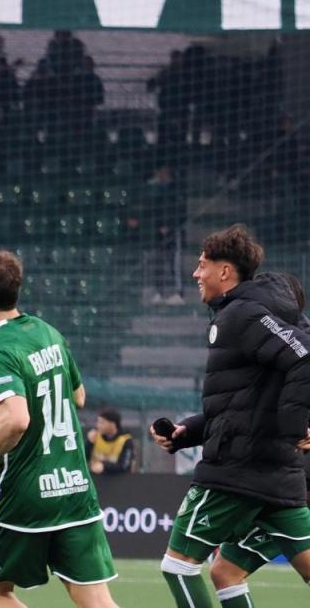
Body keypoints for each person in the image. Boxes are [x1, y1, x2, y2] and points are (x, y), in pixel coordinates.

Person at [147, 226, 310, 608]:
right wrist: (187, 433)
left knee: (178, 566)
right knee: (225, 572)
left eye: (201, 265)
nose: (195, 274)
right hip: (278, 477)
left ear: (225, 271)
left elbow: (304, 358)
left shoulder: (243, 315)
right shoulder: (249, 316)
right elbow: (242, 404)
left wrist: (292, 427)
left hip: (238, 472)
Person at [0, 250, 119, 608]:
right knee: (96, 601)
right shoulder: (47, 332)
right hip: (74, 488)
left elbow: (16, 420)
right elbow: (77, 396)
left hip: (26, 495)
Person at [210, 272, 310, 605]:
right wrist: (190, 432)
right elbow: (245, 410)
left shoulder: (298, 352)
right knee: (224, 571)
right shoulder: (274, 354)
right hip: (281, 488)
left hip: (293, 490)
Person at [84, 409, 135, 475]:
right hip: (95, 479)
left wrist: (104, 466)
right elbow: (83, 459)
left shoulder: (126, 440)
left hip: (119, 481)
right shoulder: (95, 436)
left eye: (102, 423)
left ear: (112, 424)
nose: (98, 425)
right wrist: (89, 443)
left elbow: (125, 466)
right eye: (98, 422)